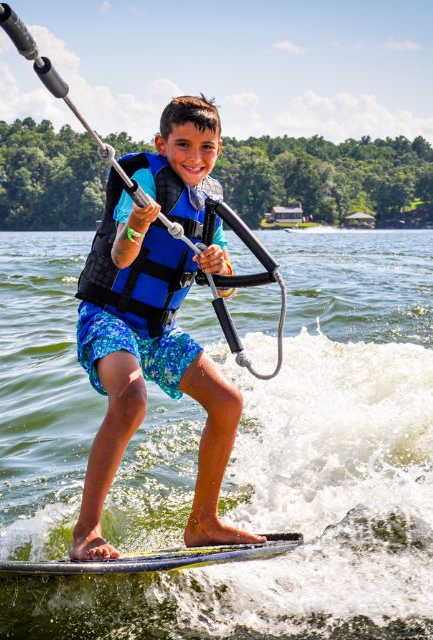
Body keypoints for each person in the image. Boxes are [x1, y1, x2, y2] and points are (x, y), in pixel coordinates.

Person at [71, 95, 266, 561]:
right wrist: (138, 221)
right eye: (183, 145)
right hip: (108, 318)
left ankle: (203, 523)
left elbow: (226, 290)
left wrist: (219, 264)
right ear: (162, 143)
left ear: (219, 149)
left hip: (157, 331)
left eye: (207, 147)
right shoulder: (141, 178)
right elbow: (121, 257)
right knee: (131, 398)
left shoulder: (209, 203)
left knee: (228, 402)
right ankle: (86, 533)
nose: (195, 158)